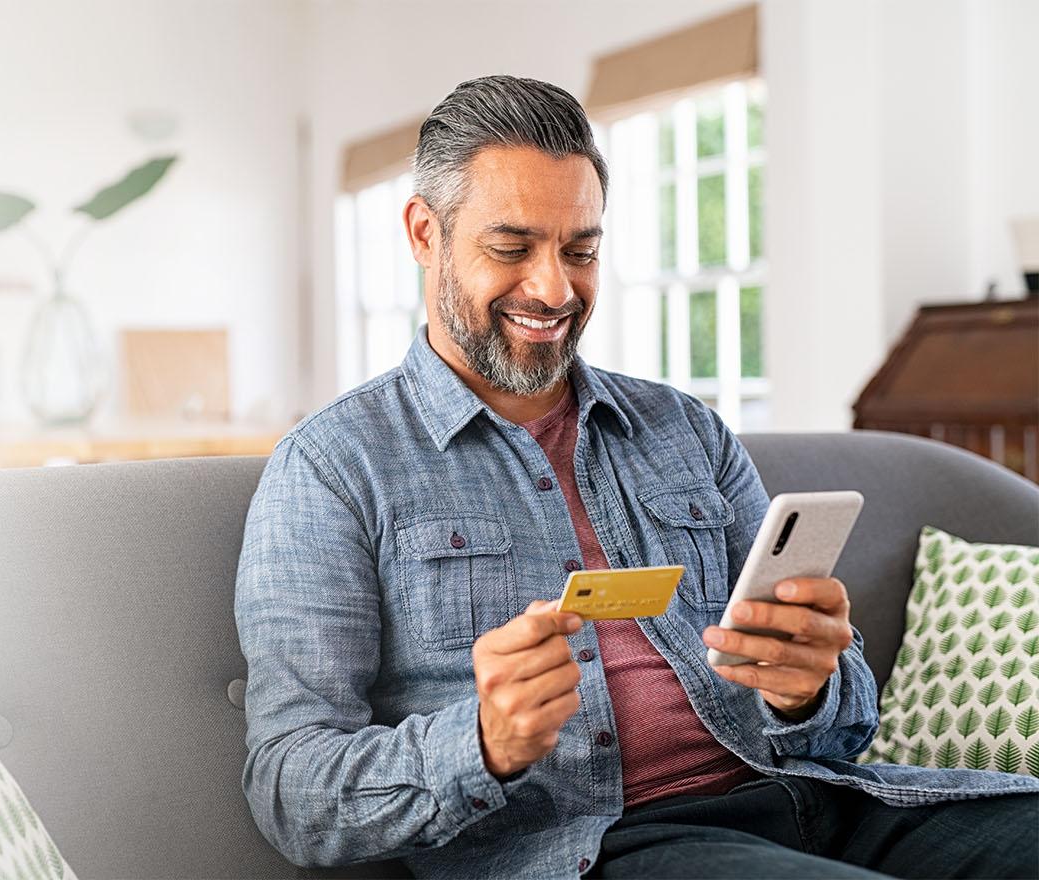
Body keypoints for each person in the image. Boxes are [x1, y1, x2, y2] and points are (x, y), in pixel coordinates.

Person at [232, 75, 1039, 879]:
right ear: (423, 233)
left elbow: (843, 722)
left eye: (580, 251)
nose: (553, 289)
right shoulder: (335, 467)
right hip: (602, 846)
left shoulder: (684, 430)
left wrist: (810, 689)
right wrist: (479, 744)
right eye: (511, 248)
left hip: (820, 798)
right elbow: (290, 791)